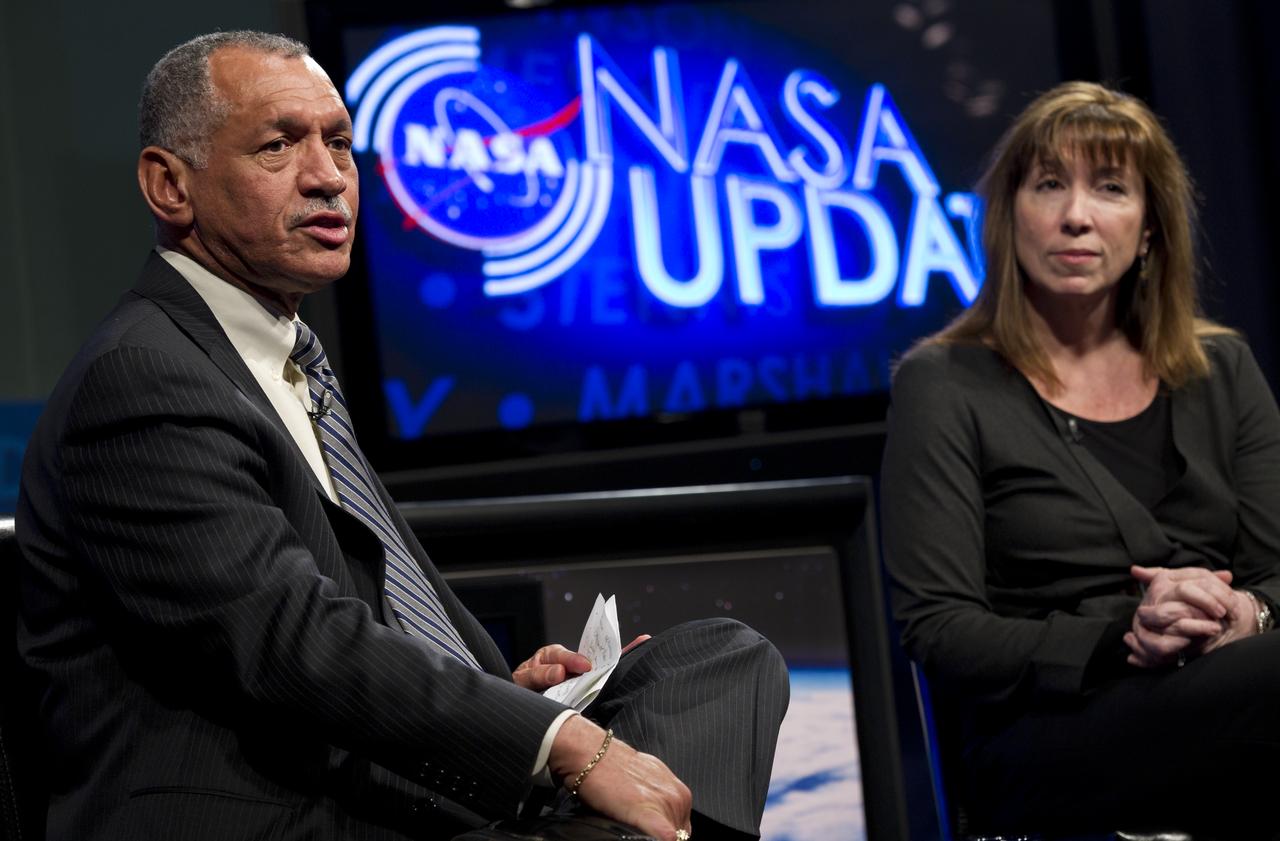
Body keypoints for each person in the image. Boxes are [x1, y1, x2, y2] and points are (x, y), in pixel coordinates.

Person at [14, 31, 788, 841]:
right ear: (169, 185)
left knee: (715, 660)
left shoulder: (287, 364)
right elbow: (293, 642)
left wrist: (505, 695)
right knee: (626, 797)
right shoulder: (142, 377)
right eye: (279, 145)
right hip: (289, 816)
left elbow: (359, 613)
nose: (329, 178)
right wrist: (558, 740)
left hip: (393, 788)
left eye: (339, 143)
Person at [880, 81, 1280, 838]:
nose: (1076, 215)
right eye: (1050, 185)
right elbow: (940, 627)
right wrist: (1129, 632)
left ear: (1151, 226)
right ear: (1010, 216)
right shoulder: (943, 382)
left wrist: (1245, 611)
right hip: (1051, 732)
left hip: (1236, 687)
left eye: (1110, 188)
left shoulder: (1221, 368)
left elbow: (1277, 570)